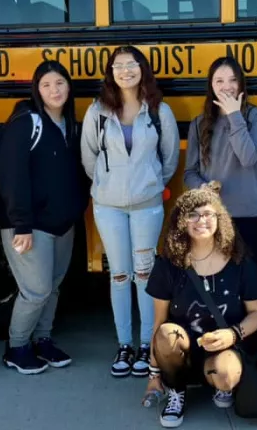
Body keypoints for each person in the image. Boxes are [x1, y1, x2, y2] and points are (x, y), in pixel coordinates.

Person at [80, 45, 180, 378]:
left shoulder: (158, 110)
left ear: (142, 70)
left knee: (145, 274)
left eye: (132, 64)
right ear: (110, 72)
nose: (126, 71)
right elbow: (89, 157)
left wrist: (150, 184)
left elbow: (169, 160)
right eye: (119, 65)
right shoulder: (98, 111)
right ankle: (124, 344)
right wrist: (108, 185)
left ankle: (146, 343)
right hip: (107, 207)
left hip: (147, 206)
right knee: (119, 275)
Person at [142, 182, 257, 428]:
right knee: (167, 334)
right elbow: (158, 323)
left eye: (208, 214)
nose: (201, 220)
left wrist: (233, 334)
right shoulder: (168, 264)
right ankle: (177, 389)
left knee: (226, 373)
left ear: (220, 219)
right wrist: (153, 376)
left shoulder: (240, 261)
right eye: (193, 215)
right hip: (182, 351)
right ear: (181, 221)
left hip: (224, 347)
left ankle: (221, 384)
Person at [0, 60, 89, 374]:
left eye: (60, 83)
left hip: (62, 223)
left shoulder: (69, 124)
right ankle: (17, 346)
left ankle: (43, 340)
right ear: (37, 89)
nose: (54, 90)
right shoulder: (27, 122)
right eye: (47, 84)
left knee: (52, 286)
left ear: (69, 87)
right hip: (29, 225)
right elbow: (12, 177)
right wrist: (21, 223)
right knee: (36, 289)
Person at [183, 57, 257, 272]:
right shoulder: (199, 123)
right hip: (214, 214)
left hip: (252, 213)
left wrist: (234, 114)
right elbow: (190, 172)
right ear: (211, 86)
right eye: (219, 81)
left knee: (249, 281)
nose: (226, 87)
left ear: (241, 84)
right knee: (218, 278)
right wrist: (202, 188)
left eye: (233, 80)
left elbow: (248, 157)